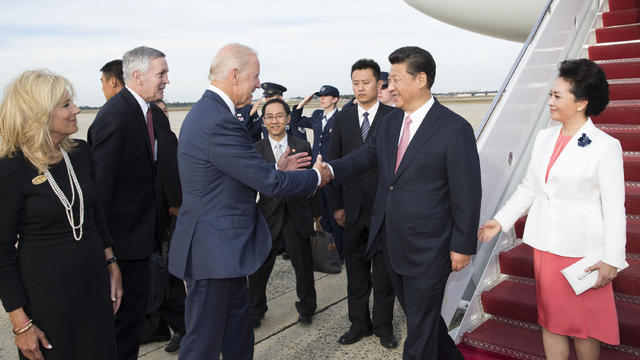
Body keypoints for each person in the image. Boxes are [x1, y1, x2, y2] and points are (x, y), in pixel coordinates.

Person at [168, 43, 332, 360]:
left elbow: (234, 174)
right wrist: (315, 177)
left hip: (224, 252)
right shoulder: (218, 120)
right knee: (202, 344)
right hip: (213, 252)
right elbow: (267, 183)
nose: (258, 84)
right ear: (234, 74)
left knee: (237, 338)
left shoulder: (209, 113)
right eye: (255, 76)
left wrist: (274, 168)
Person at [326, 46, 481, 359]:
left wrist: (462, 245)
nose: (389, 86)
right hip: (391, 242)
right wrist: (328, 170)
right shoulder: (390, 123)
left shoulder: (454, 129)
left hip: (430, 248)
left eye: (395, 79)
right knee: (423, 320)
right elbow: (365, 157)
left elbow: (467, 192)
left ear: (420, 79)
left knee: (419, 335)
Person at [478, 59, 626, 360]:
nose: (551, 101)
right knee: (552, 321)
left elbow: (614, 206)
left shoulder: (604, 146)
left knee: (583, 327)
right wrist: (500, 221)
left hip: (583, 252)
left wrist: (612, 258)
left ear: (582, 102)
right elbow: (529, 187)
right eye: (551, 94)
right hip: (545, 246)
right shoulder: (544, 137)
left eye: (558, 96)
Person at [0, 69, 122, 360]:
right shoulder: (11, 168)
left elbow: (96, 215)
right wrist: (21, 323)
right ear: (39, 113)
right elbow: (2, 252)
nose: (77, 110)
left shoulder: (80, 152)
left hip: (94, 287)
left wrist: (112, 263)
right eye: (66, 105)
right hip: (47, 300)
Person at [88, 46, 172, 360]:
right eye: (161, 73)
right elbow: (101, 193)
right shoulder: (117, 117)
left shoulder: (140, 111)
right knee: (120, 334)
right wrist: (108, 258)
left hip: (138, 245)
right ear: (136, 76)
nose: (167, 80)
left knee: (131, 330)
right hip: (121, 251)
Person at [328, 59, 398, 349]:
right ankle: (358, 324)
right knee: (356, 273)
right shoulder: (342, 119)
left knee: (383, 275)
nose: (360, 88)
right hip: (352, 210)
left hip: (384, 210)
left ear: (379, 84)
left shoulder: (393, 117)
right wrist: (336, 206)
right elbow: (333, 163)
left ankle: (383, 326)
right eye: (355, 83)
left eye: (365, 82)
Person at [249, 98, 321, 328]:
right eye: (269, 116)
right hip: (267, 216)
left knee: (303, 264)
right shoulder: (255, 150)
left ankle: (307, 307)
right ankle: (255, 309)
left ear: (288, 118)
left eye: (280, 115)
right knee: (260, 266)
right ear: (263, 121)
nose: (275, 121)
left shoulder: (302, 145)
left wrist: (316, 214)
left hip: (297, 213)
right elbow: (251, 185)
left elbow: (312, 180)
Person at [139, 98, 186, 353]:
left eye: (165, 110)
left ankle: (183, 327)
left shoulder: (167, 140)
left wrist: (175, 202)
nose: (163, 115)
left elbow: (174, 175)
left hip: (168, 220)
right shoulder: (145, 140)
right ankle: (159, 326)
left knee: (169, 274)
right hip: (151, 220)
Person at [291, 85, 344, 259]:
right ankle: (329, 250)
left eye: (326, 96)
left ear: (335, 99)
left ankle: (340, 252)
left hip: (332, 171)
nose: (321, 99)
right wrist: (301, 105)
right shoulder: (316, 116)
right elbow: (296, 122)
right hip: (317, 172)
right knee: (322, 214)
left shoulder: (341, 118)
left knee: (334, 211)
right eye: (320, 96)